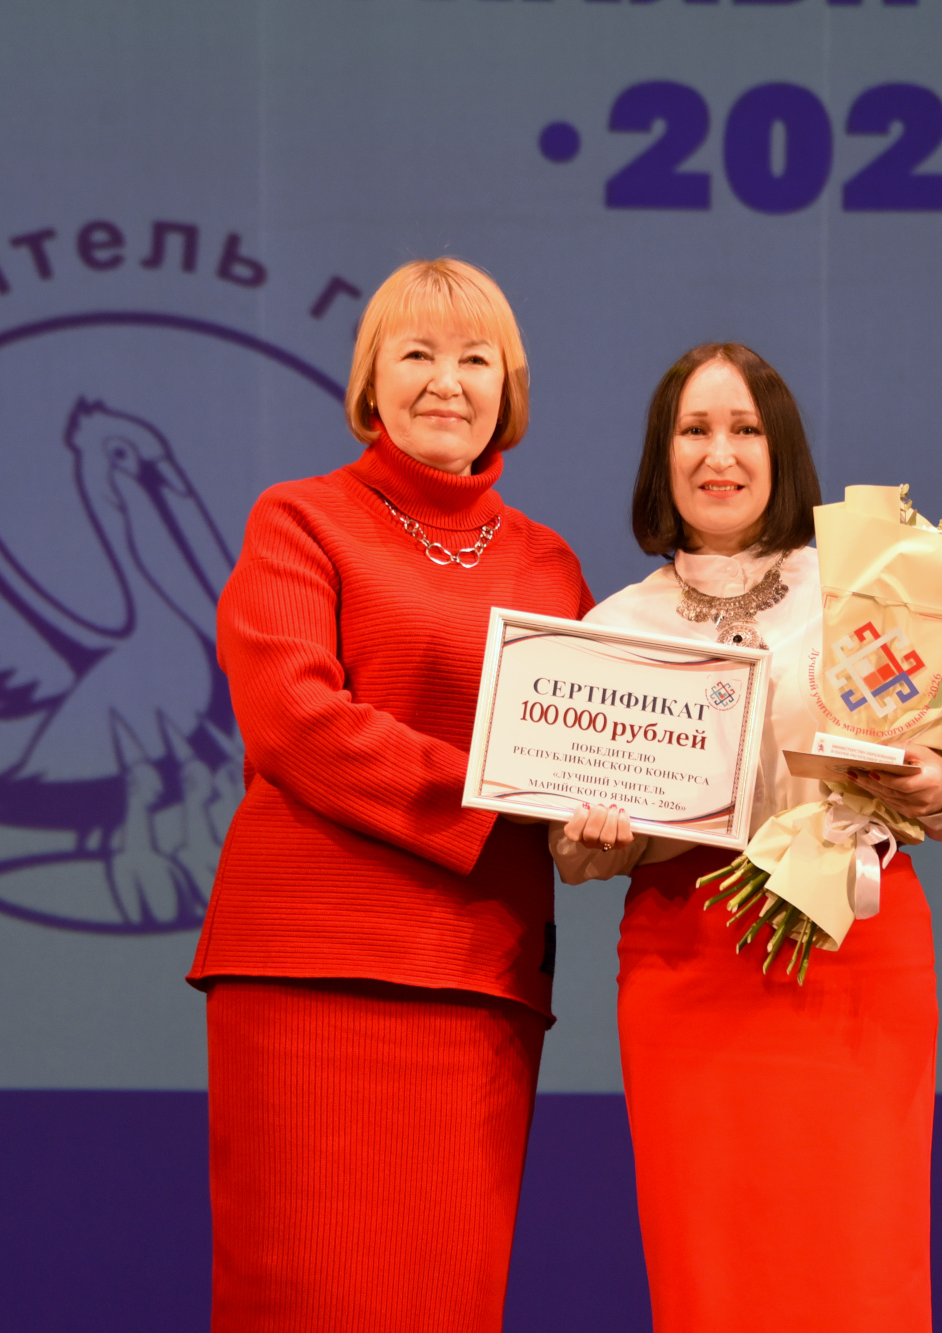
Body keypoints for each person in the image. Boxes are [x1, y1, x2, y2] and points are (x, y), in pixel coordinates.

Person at [552, 344, 942, 1332]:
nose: (718, 453)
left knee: (857, 1265)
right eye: (693, 429)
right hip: (686, 969)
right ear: (661, 454)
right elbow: (575, 851)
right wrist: (595, 839)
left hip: (855, 958)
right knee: (710, 1270)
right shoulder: (613, 627)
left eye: (744, 429)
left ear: (782, 451)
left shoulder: (870, 593)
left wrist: (934, 780)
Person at [188, 258, 593, 1332]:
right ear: (370, 381)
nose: (445, 382)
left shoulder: (551, 566)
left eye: (475, 359)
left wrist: (602, 819)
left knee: (445, 1293)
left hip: (479, 975)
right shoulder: (299, 519)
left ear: (508, 388)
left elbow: (589, 750)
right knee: (303, 1289)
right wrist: (492, 791)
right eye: (415, 353)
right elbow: (293, 719)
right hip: (311, 966)